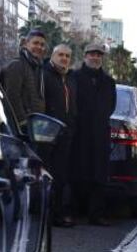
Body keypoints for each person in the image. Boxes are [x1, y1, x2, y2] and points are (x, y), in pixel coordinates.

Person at [73, 43, 116, 226]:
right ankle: (74, 212)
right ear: (85, 56)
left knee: (100, 176)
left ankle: (96, 214)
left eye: (99, 55)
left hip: (100, 134)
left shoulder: (108, 81)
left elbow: (111, 105)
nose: (95, 57)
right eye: (92, 54)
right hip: (79, 133)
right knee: (76, 174)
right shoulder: (74, 77)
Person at [43, 44, 77, 227]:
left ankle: (58, 213)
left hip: (66, 134)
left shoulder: (70, 78)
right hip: (47, 133)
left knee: (61, 176)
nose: (64, 58)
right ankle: (47, 214)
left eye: (67, 56)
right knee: (48, 175)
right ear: (53, 55)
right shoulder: (44, 74)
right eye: (61, 54)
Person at [0, 30, 47, 126]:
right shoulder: (16, 65)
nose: (39, 47)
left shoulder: (38, 68)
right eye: (35, 43)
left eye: (42, 45)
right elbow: (12, 97)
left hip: (34, 126)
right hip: (20, 128)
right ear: (25, 44)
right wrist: (23, 123)